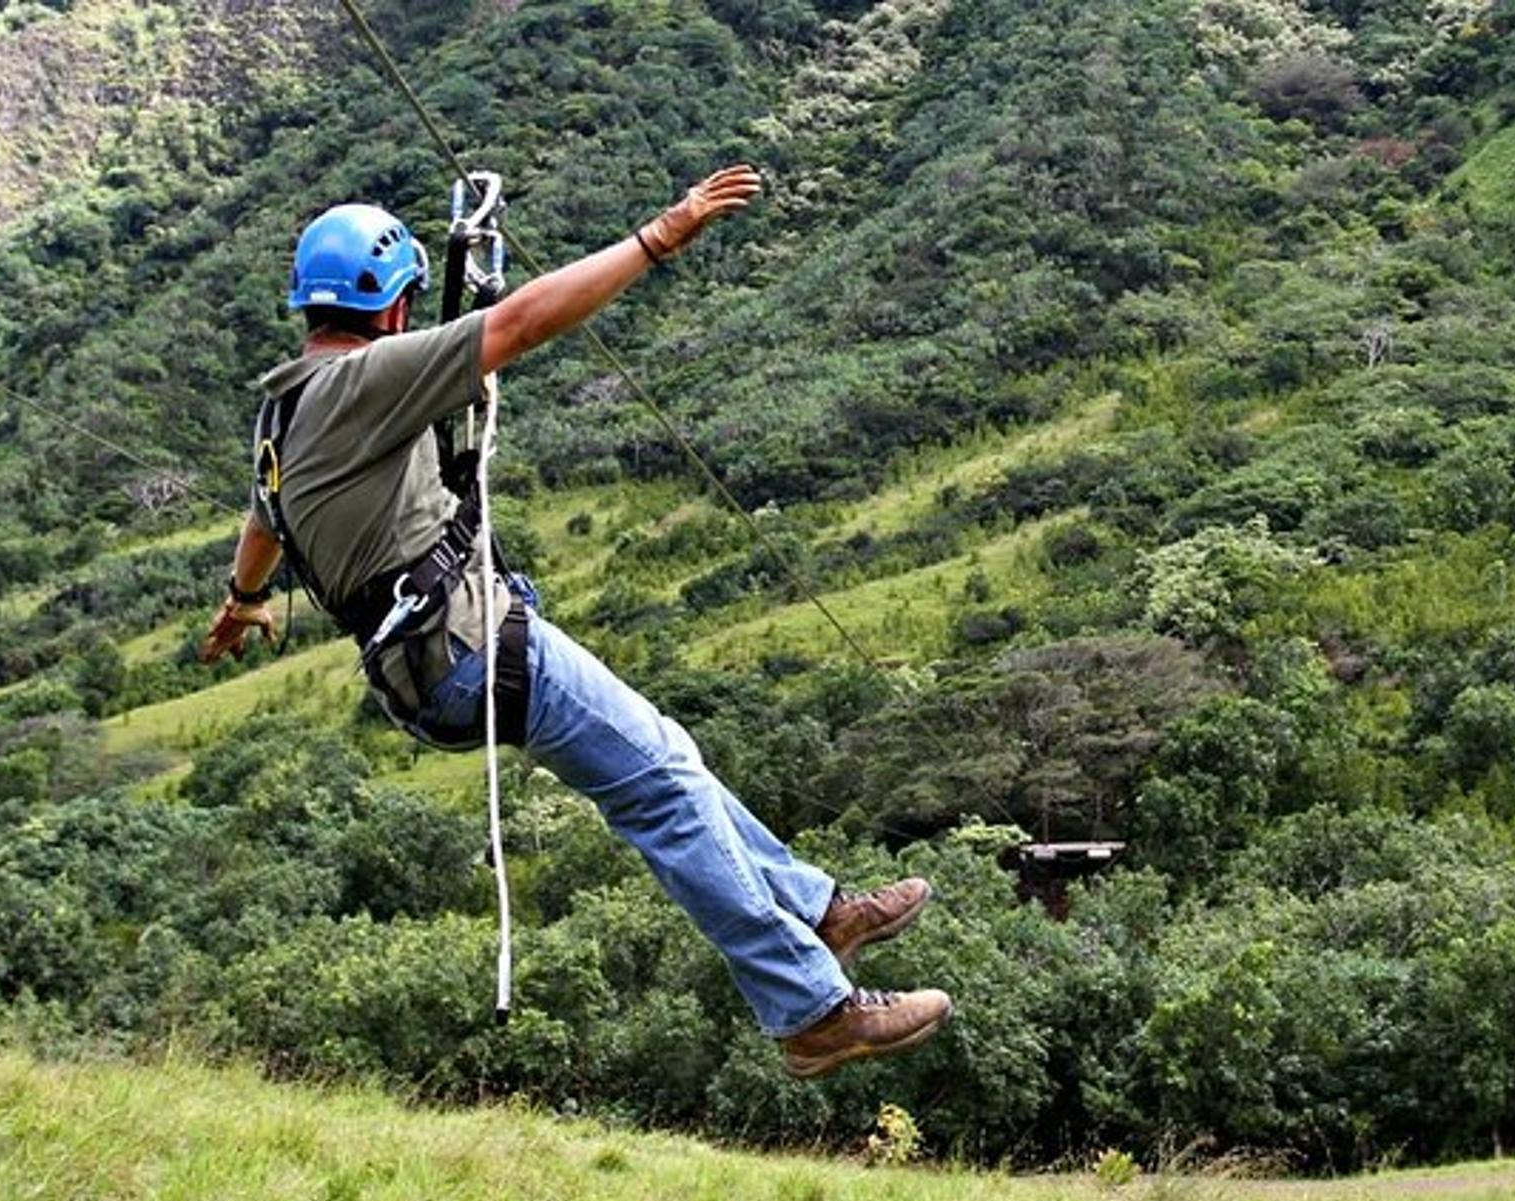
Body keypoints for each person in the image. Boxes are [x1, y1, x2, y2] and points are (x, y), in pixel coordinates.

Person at [198, 166, 951, 1078]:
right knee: (665, 792)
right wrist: (660, 235)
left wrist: (242, 601)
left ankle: (821, 908)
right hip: (472, 647)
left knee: (669, 757)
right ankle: (810, 1009)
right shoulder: (368, 380)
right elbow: (517, 325)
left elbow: (262, 522)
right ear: (393, 309)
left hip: (426, 666)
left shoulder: (280, 412)